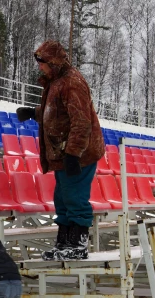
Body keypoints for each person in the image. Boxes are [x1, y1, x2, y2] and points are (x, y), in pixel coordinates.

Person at [16, 40, 105, 261]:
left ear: (53, 62)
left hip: (78, 154)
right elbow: (56, 113)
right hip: (62, 153)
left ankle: (77, 245)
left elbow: (81, 121)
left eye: (43, 63)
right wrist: (32, 112)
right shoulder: (56, 82)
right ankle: (64, 243)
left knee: (74, 198)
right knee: (62, 199)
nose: (40, 67)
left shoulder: (71, 83)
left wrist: (74, 154)